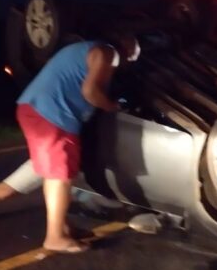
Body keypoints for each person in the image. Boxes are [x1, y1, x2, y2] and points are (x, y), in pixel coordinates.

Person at [15, 35, 140, 253]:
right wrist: (112, 106)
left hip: (45, 112)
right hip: (49, 114)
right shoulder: (106, 53)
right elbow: (90, 92)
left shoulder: (94, 50)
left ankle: (63, 227)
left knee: (57, 175)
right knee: (60, 177)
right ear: (128, 46)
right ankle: (54, 237)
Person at [0, 159, 123, 240]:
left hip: (80, 160)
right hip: (56, 154)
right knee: (2, 192)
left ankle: (65, 228)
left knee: (65, 191)